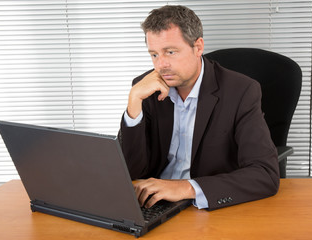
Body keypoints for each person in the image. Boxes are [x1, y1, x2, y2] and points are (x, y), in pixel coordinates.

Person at [118, 5, 279, 211]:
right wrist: (133, 105)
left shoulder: (241, 91)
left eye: (170, 52)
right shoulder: (146, 88)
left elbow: (265, 174)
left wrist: (186, 188)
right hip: (154, 206)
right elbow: (130, 173)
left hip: (205, 206)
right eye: (154, 54)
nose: (161, 65)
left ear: (198, 47)